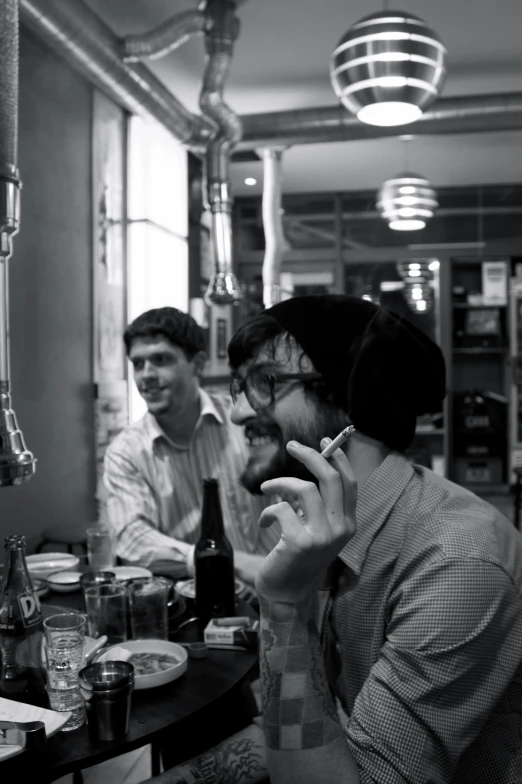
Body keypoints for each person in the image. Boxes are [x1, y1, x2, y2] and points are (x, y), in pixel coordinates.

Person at [146, 294, 522, 784]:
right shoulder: (328, 528)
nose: (237, 415)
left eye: (266, 383)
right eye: (241, 387)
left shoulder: (455, 564)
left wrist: (283, 604)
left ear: (350, 400)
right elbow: (307, 723)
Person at [103, 306, 280, 585]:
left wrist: (265, 568)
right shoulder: (126, 453)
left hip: (271, 587)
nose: (146, 375)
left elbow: (281, 496)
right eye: (138, 363)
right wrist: (225, 562)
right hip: (189, 601)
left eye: (161, 359)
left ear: (197, 363)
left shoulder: (243, 419)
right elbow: (131, 537)